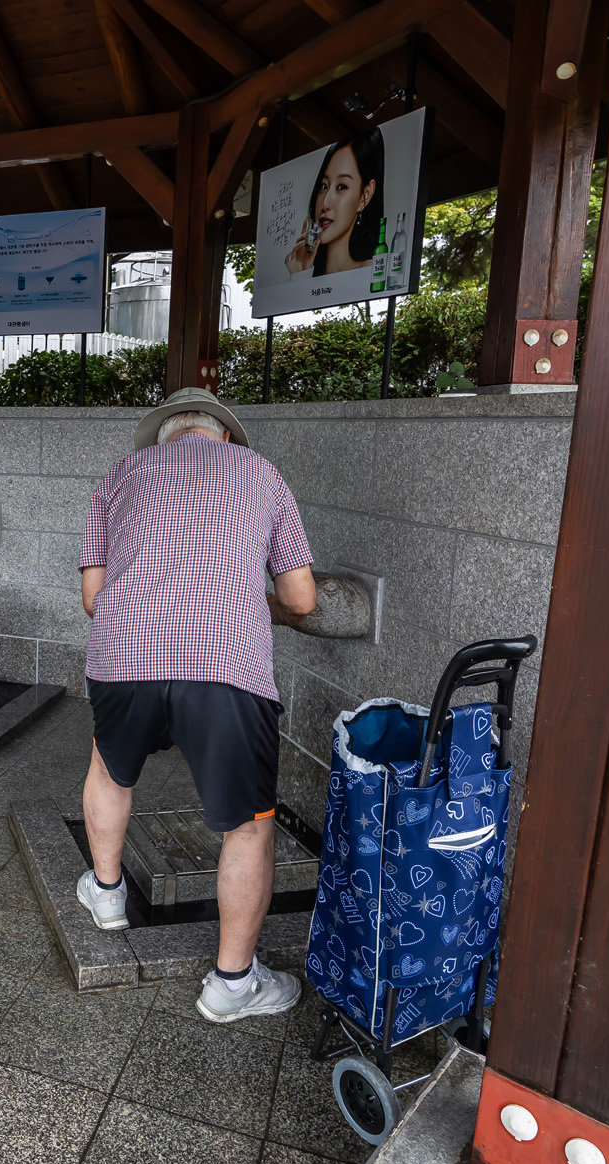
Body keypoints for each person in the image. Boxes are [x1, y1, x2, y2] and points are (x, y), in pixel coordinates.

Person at [76, 388, 318, 1023]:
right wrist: (247, 603)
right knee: (250, 824)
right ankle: (232, 984)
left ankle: (106, 894)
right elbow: (302, 599)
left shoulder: (122, 474)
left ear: (163, 437)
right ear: (225, 437)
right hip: (227, 668)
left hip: (125, 661)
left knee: (109, 766)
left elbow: (94, 598)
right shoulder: (261, 472)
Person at [283, 128, 384, 278]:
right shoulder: (302, 269)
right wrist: (300, 275)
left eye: (341, 186)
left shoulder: (371, 272)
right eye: (324, 186)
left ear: (365, 196)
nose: (325, 204)